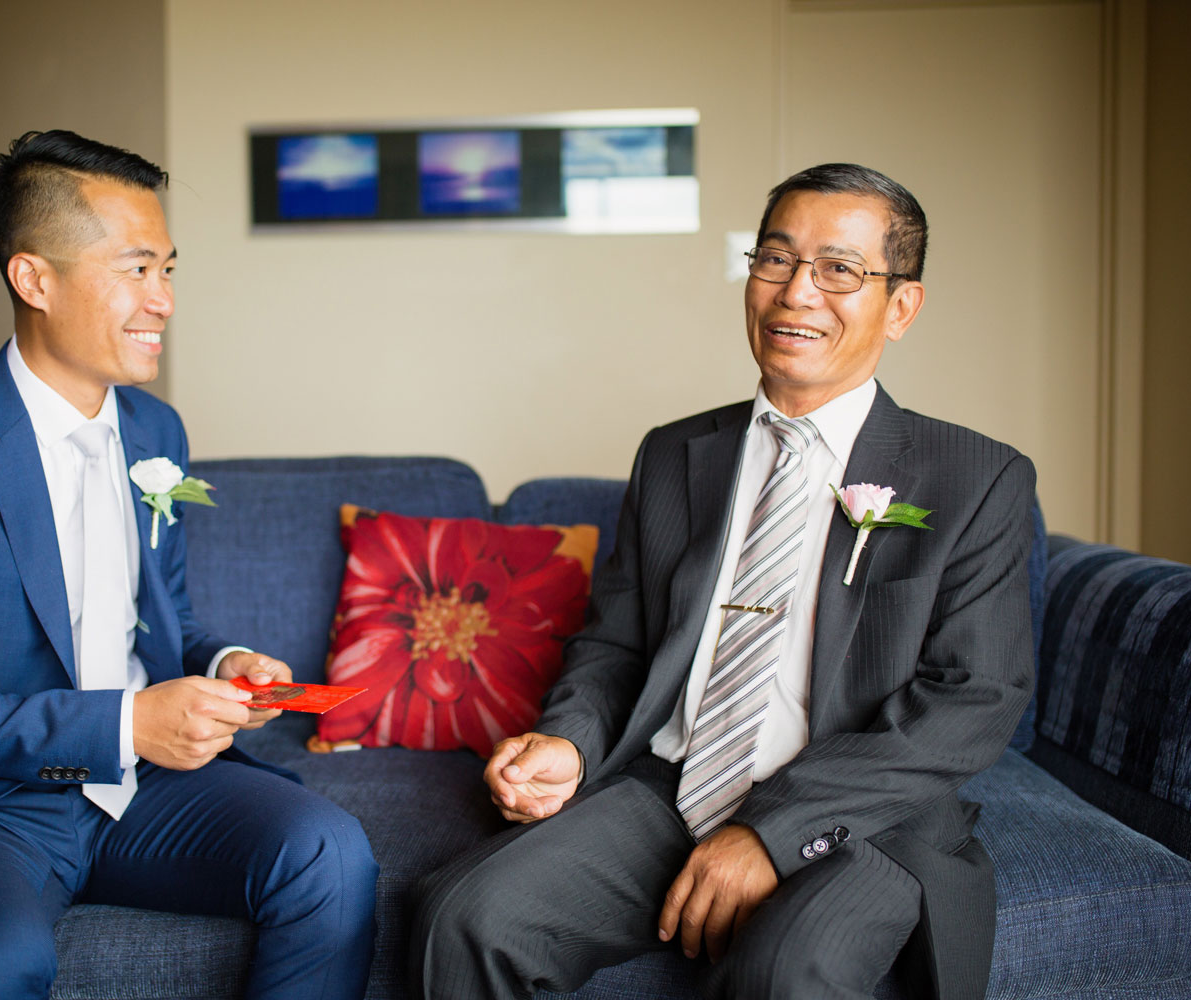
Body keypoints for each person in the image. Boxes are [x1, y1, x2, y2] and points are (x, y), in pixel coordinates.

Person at [412, 163, 1035, 1000]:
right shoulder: (674, 454)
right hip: (674, 786)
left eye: (839, 270)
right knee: (468, 914)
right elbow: (615, 642)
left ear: (901, 307)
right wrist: (570, 742)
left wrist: (773, 831)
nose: (795, 293)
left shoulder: (976, 476)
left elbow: (975, 699)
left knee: (786, 973)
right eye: (775, 260)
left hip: (857, 815)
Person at [0, 129, 377, 1000]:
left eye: (169, 270)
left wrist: (222, 663)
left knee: (329, 851)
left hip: (143, 791)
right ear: (34, 279)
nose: (162, 300)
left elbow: (165, 621)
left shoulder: (157, 433)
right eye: (135, 269)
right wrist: (126, 726)